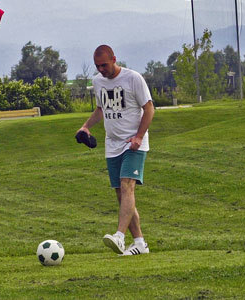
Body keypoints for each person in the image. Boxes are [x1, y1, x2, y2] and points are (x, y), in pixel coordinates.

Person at [76, 45, 155, 256]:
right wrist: (86, 126)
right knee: (122, 196)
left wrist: (139, 136)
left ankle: (119, 237)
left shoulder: (133, 78)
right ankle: (139, 243)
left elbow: (149, 108)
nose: (101, 69)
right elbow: (101, 110)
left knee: (127, 185)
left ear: (114, 59)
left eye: (104, 65)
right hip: (112, 145)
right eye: (97, 66)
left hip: (133, 143)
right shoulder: (97, 82)